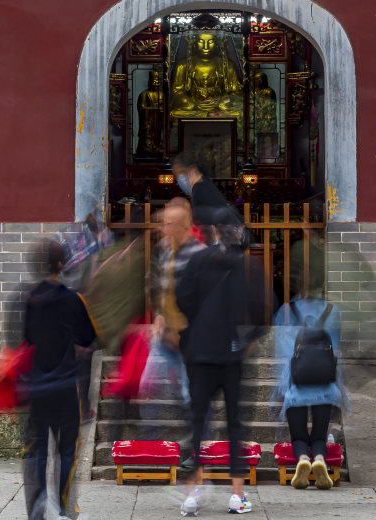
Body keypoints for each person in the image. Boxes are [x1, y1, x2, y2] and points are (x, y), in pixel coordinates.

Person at [174, 210, 266, 516]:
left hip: (199, 352)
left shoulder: (199, 261)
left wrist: (198, 324)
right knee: (234, 425)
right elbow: (265, 306)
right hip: (231, 353)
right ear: (238, 232)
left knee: (197, 421)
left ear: (214, 230)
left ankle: (191, 494)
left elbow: (182, 298)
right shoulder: (248, 265)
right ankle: (236, 496)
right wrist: (249, 338)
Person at [22, 241, 97, 520]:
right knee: (67, 451)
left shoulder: (29, 300)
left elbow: (26, 339)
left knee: (39, 449)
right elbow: (89, 337)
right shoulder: (73, 299)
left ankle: (39, 504)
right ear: (60, 265)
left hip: (38, 386)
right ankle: (64, 509)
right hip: (66, 386)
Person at [272, 233, 346, 490]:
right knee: (320, 432)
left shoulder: (286, 312)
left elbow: (282, 353)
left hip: (297, 384)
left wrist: (283, 386)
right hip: (325, 384)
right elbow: (335, 351)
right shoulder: (333, 311)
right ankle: (320, 460)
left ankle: (302, 458)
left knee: (298, 433)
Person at [139, 198, 206, 450]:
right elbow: (162, 288)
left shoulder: (198, 255)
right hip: (164, 336)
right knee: (148, 386)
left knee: (191, 396)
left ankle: (196, 446)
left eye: (168, 224)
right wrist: (158, 314)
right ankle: (148, 443)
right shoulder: (167, 250)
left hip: (186, 340)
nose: (163, 229)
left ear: (181, 226)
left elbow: (203, 299)